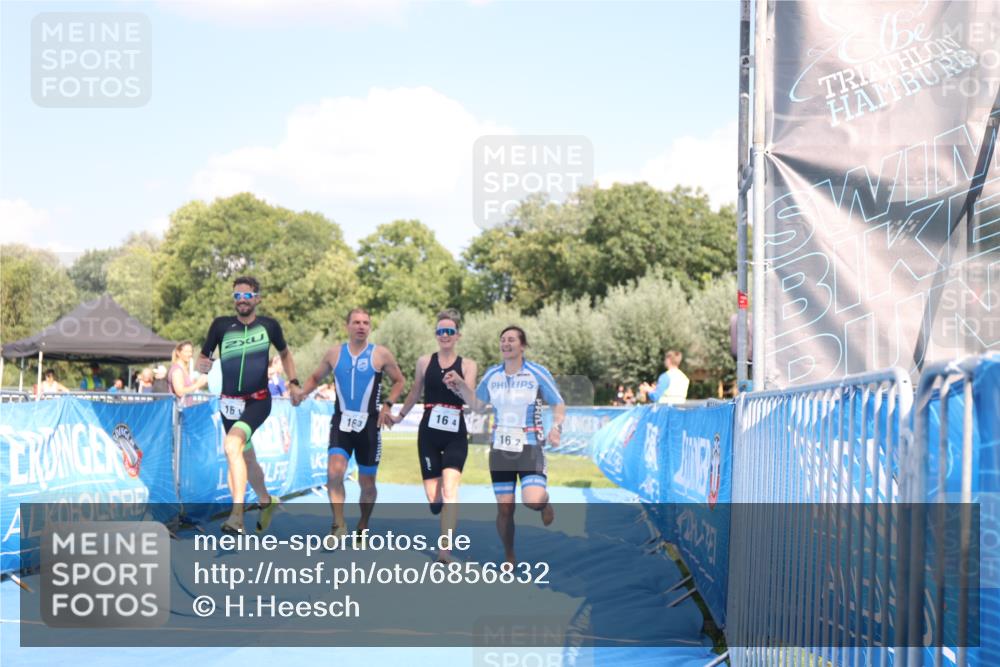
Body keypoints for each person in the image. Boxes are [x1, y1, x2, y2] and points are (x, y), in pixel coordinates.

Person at [444, 325, 565, 566]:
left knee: (531, 499)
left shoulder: (537, 373)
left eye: (511, 340)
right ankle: (510, 555)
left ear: (522, 345)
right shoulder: (492, 375)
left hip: (529, 446)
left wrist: (556, 427)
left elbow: (558, 403)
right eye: (502, 340)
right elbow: (477, 405)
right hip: (500, 448)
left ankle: (543, 502)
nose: (506, 344)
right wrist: (459, 385)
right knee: (505, 508)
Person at [198, 276, 300, 534]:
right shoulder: (221, 326)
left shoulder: (269, 326)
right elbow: (204, 357)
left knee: (232, 445)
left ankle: (237, 517)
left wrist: (294, 382)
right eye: (237, 296)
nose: (241, 301)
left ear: (257, 298)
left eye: (246, 296)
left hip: (257, 401)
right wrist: (203, 365)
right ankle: (266, 500)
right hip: (229, 404)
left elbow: (285, 354)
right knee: (244, 455)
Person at [293, 308, 405, 542]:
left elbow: (399, 381)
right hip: (341, 422)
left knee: (367, 483)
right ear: (348, 326)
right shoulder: (334, 354)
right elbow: (315, 377)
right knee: (333, 473)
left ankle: (363, 523)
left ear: (370, 327)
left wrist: (388, 405)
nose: (361, 326)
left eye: (365, 322)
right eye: (356, 322)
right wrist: (302, 393)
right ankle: (338, 523)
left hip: (369, 427)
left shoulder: (380, 354)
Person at [392, 310, 477, 562]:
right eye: (441, 331)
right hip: (429, 432)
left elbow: (472, 401)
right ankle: (437, 504)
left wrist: (460, 383)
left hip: (455, 434)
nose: (445, 335)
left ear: (458, 335)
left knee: (451, 489)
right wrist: (399, 416)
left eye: (450, 331)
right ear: (436, 335)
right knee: (435, 498)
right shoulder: (424, 362)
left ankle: (444, 550)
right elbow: (415, 391)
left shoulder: (469, 365)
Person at [170, 340, 208, 405]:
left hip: (187, 409)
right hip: (179, 410)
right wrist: (197, 385)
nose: (189, 354)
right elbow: (180, 392)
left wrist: (200, 383)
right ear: (178, 353)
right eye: (186, 351)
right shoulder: (177, 370)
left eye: (191, 351)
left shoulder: (184, 370)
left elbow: (187, 388)